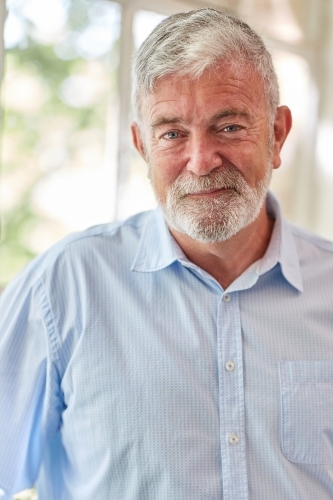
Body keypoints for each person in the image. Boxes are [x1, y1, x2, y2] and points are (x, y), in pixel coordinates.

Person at [1, 8, 333, 500]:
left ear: (277, 133)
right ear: (142, 145)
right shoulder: (63, 287)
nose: (201, 161)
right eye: (172, 133)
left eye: (229, 127)